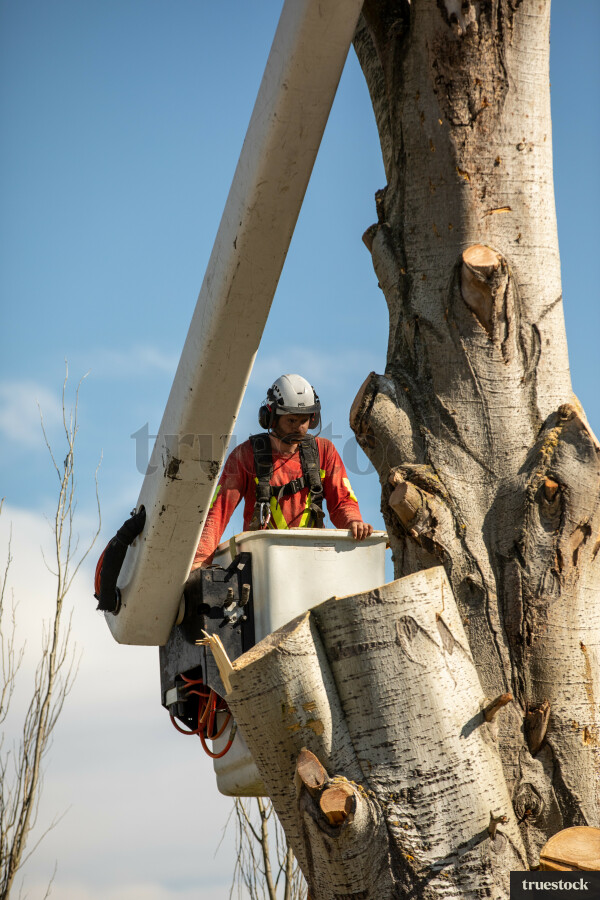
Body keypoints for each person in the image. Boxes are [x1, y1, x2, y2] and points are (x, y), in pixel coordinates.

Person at [192, 374, 373, 568]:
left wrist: (354, 522)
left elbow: (342, 501)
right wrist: (200, 560)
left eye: (304, 420)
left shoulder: (324, 451)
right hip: (262, 568)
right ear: (271, 418)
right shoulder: (245, 455)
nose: (299, 428)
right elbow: (219, 511)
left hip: (313, 563)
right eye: (292, 420)